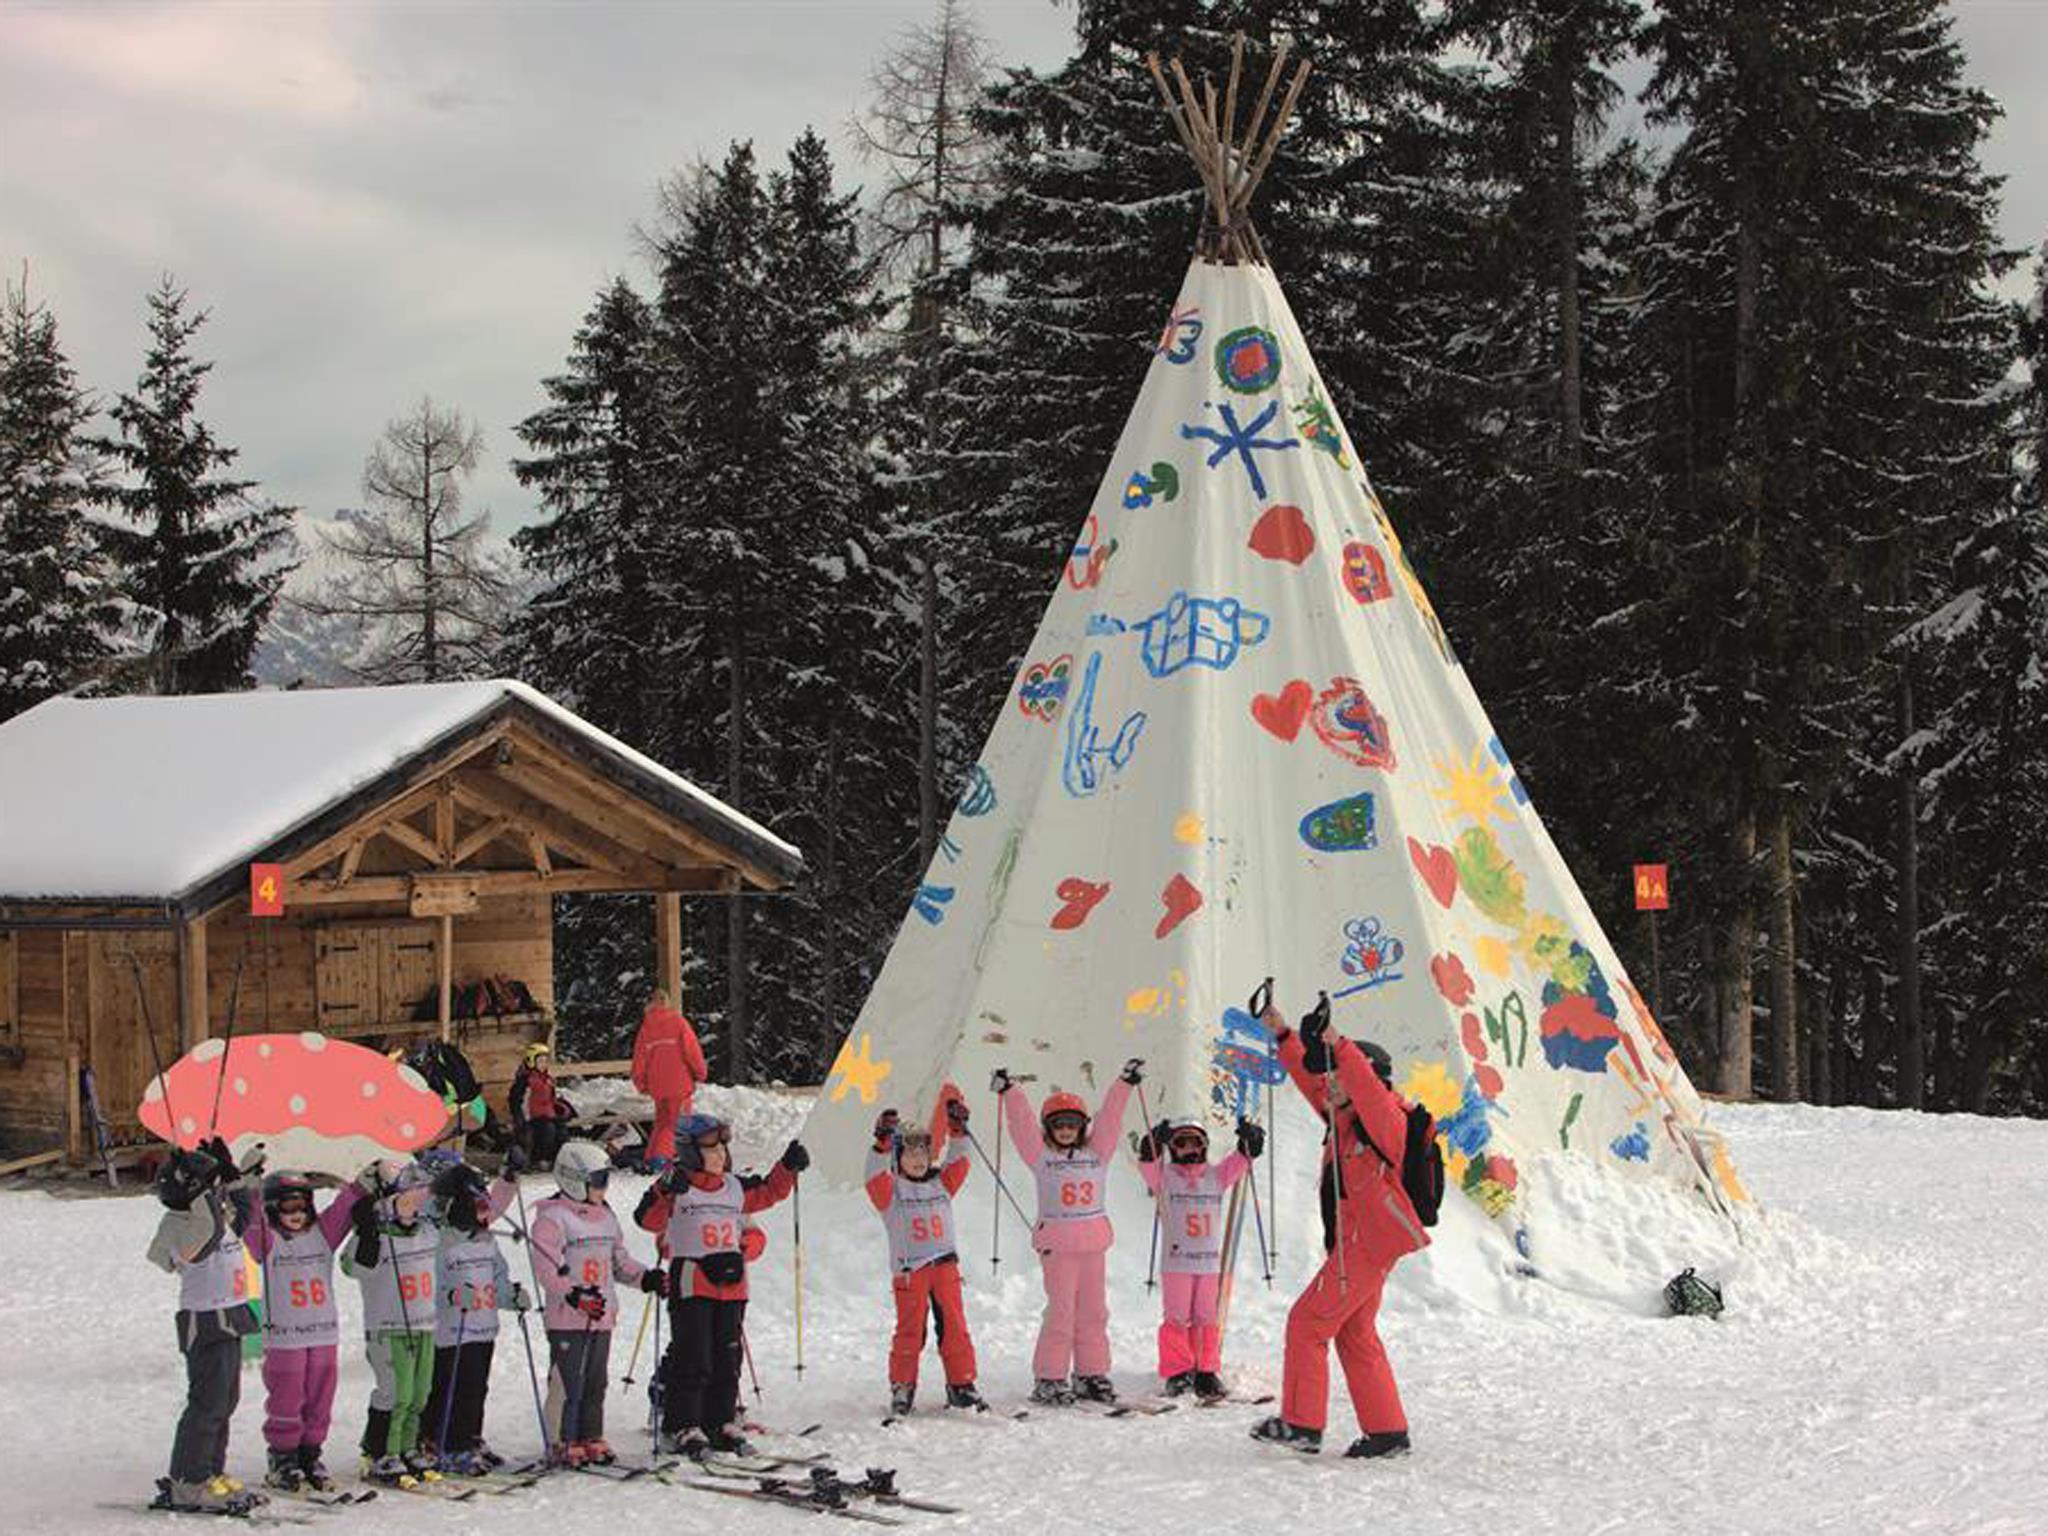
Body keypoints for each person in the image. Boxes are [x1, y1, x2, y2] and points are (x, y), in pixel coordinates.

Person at [1249, 994, 1428, 1459]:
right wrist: (1283, 1034)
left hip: (1366, 1244)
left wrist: (1336, 1043)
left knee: (1306, 1323)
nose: (1326, 1086)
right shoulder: (1344, 1118)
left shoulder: (1386, 1119)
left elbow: (1366, 1087)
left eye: (1335, 1078)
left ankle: (1302, 1424)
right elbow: (1314, 1083)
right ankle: (1388, 1432)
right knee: (1354, 1332)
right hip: (1356, 1245)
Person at [635, 1115, 805, 1458]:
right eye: (711, 1147)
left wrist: (787, 1167)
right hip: (693, 1279)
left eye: (723, 1146)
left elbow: (769, 1191)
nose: (720, 1153)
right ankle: (683, 1424)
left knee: (727, 1355)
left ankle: (720, 1420)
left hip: (732, 1284)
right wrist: (665, 1188)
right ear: (690, 1151)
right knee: (693, 1353)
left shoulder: (733, 1186)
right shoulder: (680, 1185)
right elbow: (647, 1219)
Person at [993, 1058, 1141, 1405]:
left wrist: (1125, 1083)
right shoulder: (1041, 1157)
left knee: (1094, 1310)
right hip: (1058, 1247)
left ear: (1082, 1128)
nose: (1065, 1131)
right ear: (1049, 1128)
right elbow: (1022, 1126)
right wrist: (1010, 1091)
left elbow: (1111, 1118)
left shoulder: (1097, 1153)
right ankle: (1050, 1377)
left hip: (1092, 1245)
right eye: (1058, 1125)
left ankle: (1091, 1373)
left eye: (1072, 1125)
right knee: (1061, 1311)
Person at [529, 1139, 665, 1466]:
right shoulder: (553, 1218)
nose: (604, 1188)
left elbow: (619, 1262)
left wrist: (646, 1277)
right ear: (574, 1179)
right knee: (568, 1381)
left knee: (595, 1381)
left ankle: (590, 1435)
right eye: (599, 1181)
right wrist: (574, 1294)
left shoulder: (606, 1217)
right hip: (568, 1316)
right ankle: (562, 1439)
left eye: (605, 1180)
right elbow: (545, 1268)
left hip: (601, 1315)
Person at [147, 1138, 261, 1513]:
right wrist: (202, 1180)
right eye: (208, 1186)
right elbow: (208, 1236)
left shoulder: (212, 1214)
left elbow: (240, 1217)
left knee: (226, 1400)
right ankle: (187, 1481)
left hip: (230, 1314)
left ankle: (211, 1471)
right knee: (207, 1402)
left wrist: (232, 1178)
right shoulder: (181, 1224)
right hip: (205, 1319)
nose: (215, 1192)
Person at [244, 1167, 371, 1491]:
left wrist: (362, 1185)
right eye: (288, 1207)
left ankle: (310, 1454)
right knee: (287, 1397)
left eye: (302, 1206)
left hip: (323, 1333)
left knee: (320, 1396)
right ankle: (283, 1457)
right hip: (285, 1337)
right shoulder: (268, 1241)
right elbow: (251, 1227)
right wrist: (251, 1190)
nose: (297, 1214)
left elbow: (343, 1210)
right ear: (273, 1208)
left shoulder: (322, 1234)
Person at [864, 1084, 987, 1417]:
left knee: (954, 1326)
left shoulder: (940, 1184)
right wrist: (882, 1142)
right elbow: (873, 1173)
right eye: (909, 1154)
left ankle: (961, 1384)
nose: (918, 1161)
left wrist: (958, 1129)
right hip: (910, 1270)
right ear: (897, 1158)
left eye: (923, 1154)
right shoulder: (891, 1191)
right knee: (910, 1329)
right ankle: (903, 1386)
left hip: (944, 1266)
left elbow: (960, 1160)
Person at [1136, 1115, 1261, 1399]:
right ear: (1172, 1148)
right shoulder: (1165, 1178)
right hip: (1177, 1263)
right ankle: (1178, 1371)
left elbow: (1241, 1161)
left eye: (1195, 1143)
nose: (1188, 1149)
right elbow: (1147, 1165)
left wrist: (1249, 1144)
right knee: (1177, 1317)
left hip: (1208, 1263)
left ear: (1204, 1146)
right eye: (1181, 1143)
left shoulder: (1215, 1176)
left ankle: (1205, 1370)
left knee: (1206, 1316)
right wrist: (1151, 1145)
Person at [422, 1159, 526, 1473]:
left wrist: (512, 1296)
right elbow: (428, 1288)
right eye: (477, 1207)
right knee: (448, 1386)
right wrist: (453, 1296)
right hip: (450, 1332)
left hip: (482, 1328)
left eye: (485, 1208)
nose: (484, 1214)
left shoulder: (486, 1241)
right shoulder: (438, 1242)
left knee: (476, 1388)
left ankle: (468, 1436)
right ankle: (443, 1440)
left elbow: (498, 1278)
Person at [344, 1160, 443, 1484]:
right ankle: (379, 1452)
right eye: (407, 1197)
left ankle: (406, 1447)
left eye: (420, 1195)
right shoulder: (378, 1234)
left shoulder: (427, 1231)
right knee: (394, 1392)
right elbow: (351, 1267)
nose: (415, 1203)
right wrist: (366, 1233)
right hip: (388, 1326)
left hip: (423, 1323)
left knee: (419, 1393)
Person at [631, 989, 709, 1169]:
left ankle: (651, 1156)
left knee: (661, 1122)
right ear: (666, 1002)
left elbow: (639, 1059)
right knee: (675, 1124)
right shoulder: (678, 1023)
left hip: (657, 1085)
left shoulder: (646, 1027)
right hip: (679, 1083)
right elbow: (692, 1051)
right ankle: (661, 1158)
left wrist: (641, 1082)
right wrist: (700, 1072)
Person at [509, 1043, 573, 1170]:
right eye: (540, 1061)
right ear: (532, 1061)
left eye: (545, 1061)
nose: (544, 1064)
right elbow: (516, 1100)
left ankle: (558, 1159)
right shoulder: (525, 1079)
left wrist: (561, 1108)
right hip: (533, 1116)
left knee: (562, 1131)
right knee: (547, 1131)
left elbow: (552, 1098)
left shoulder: (548, 1079)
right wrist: (520, 1117)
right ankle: (540, 1159)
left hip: (549, 1114)